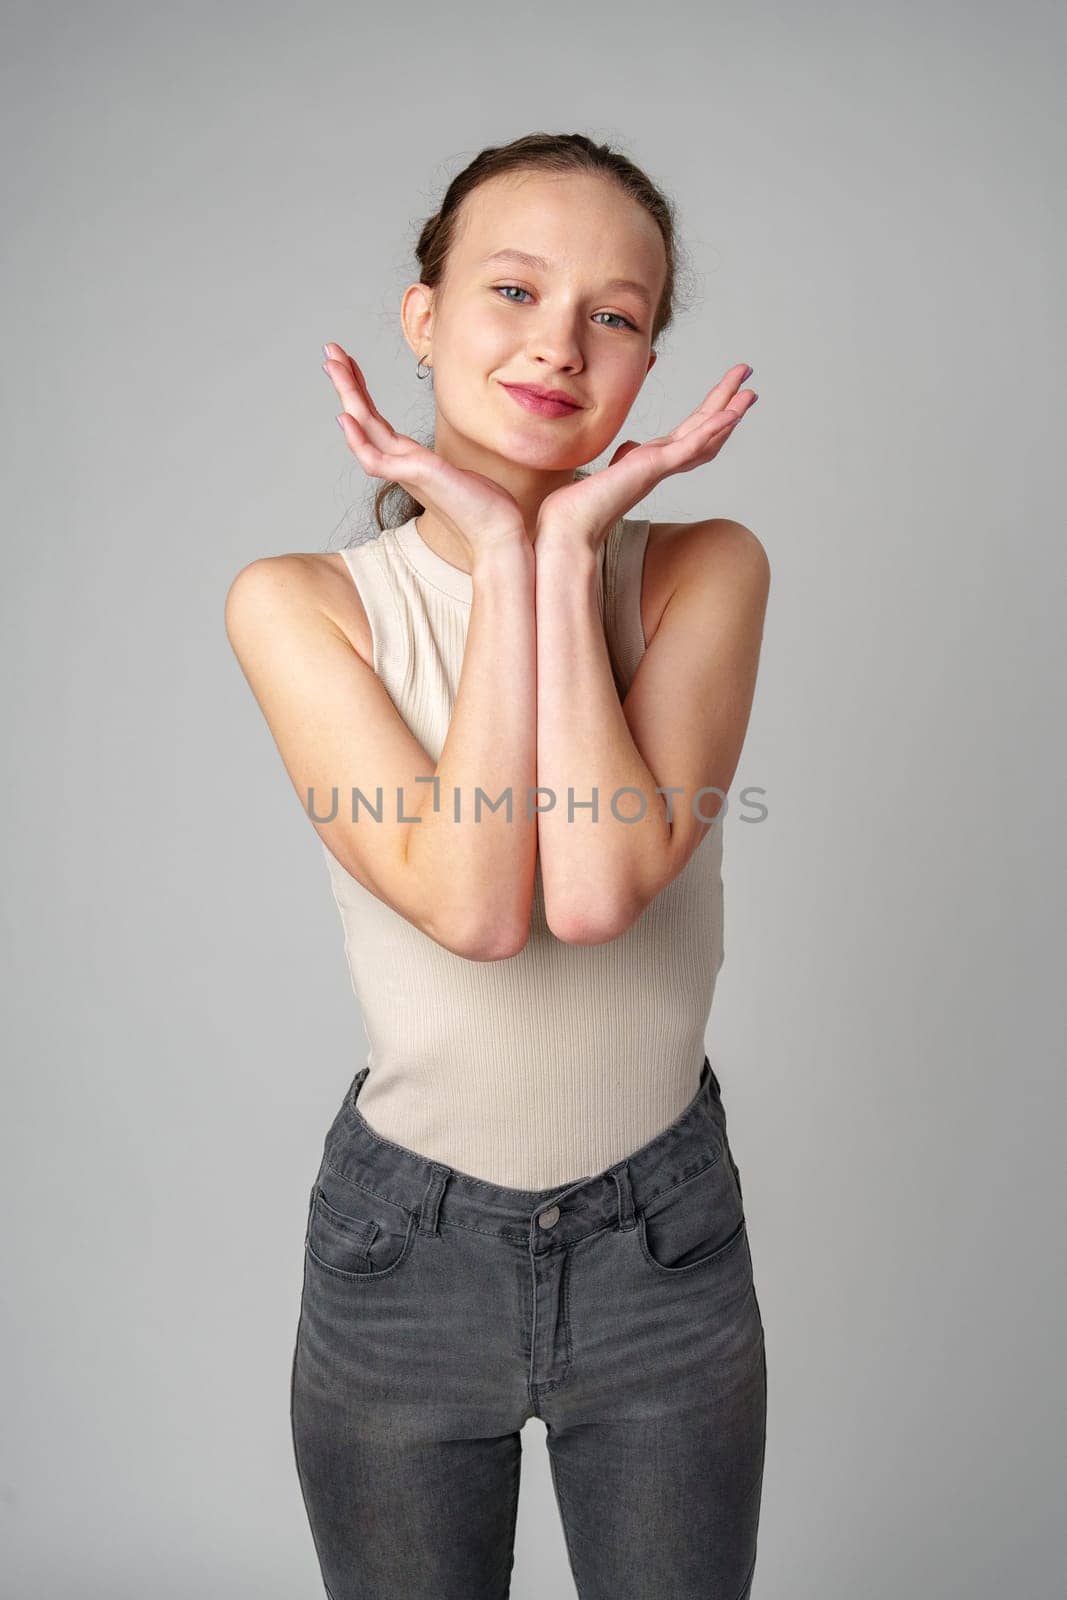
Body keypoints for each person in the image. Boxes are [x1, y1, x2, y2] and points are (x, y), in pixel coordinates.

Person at [225, 130, 770, 1600]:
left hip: (663, 1244)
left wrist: (561, 548)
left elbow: (595, 890)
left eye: (617, 315)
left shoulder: (702, 569)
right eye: (514, 290)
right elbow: (478, 905)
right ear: (424, 315)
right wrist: (500, 545)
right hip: (407, 1256)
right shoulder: (300, 605)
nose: (561, 346)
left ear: (652, 354)